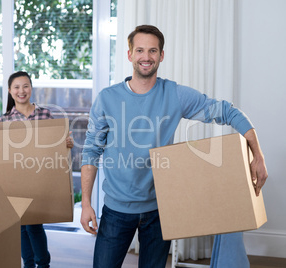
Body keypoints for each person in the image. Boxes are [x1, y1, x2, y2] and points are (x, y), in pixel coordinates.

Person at [80, 25, 268, 268]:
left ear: (161, 55)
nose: (146, 57)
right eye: (139, 50)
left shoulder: (175, 95)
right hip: (117, 210)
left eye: (152, 51)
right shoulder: (107, 98)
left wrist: (258, 154)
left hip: (160, 210)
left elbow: (226, 111)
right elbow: (91, 151)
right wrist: (86, 203)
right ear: (129, 55)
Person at [0, 71, 73, 268]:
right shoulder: (5, 119)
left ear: (31, 88)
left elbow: (56, 142)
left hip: (40, 176)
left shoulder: (44, 114)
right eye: (16, 87)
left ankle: (42, 264)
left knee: (34, 224)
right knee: (21, 226)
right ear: (9, 90)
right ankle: (28, 264)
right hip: (16, 179)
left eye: (25, 86)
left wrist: (66, 142)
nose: (21, 91)